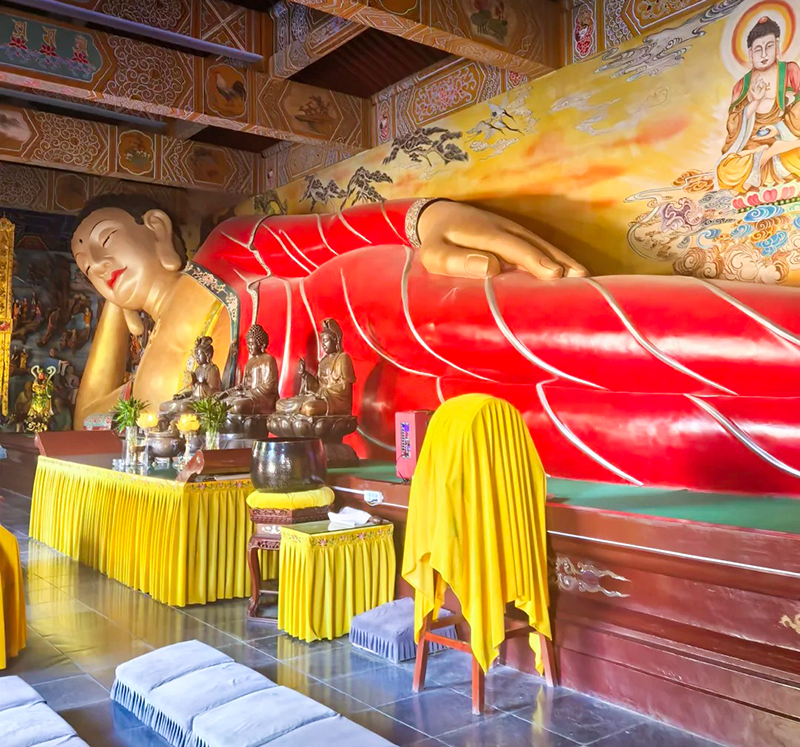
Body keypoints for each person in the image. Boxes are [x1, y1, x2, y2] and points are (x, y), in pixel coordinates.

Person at [71, 193, 800, 493]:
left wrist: (427, 220)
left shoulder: (226, 248)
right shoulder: (141, 381)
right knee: (585, 430)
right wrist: (113, 306)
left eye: (105, 240)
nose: (99, 263)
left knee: (590, 331)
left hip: (364, 307)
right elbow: (88, 420)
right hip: (365, 419)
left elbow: (330, 233)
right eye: (84, 265)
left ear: (157, 228)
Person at [717, 16, 800, 192]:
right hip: (753, 147)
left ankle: (767, 156)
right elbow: (733, 126)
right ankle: (766, 155)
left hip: (785, 141)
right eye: (758, 49)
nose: (763, 55)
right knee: (724, 171)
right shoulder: (741, 86)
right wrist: (754, 101)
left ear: (777, 47)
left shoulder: (790, 71)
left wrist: (779, 129)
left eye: (769, 47)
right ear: (750, 54)